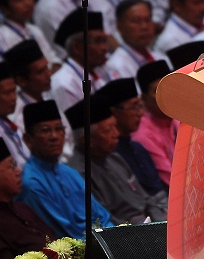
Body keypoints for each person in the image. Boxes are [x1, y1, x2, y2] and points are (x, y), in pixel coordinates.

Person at [65, 93, 168, 224]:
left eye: (115, 127)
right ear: (87, 140)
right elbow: (104, 219)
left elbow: (147, 200)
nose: (117, 134)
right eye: (108, 130)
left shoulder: (115, 157)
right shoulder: (79, 173)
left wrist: (161, 223)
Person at [17, 99, 113, 239]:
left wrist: (116, 238)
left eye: (58, 129)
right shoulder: (31, 183)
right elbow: (66, 234)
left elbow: (102, 216)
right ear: (28, 140)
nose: (54, 137)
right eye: (45, 130)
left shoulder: (69, 173)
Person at [132, 60, 177, 187]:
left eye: (169, 87)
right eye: (157, 91)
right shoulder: (143, 135)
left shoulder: (180, 117)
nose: (166, 95)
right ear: (144, 99)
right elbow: (172, 179)